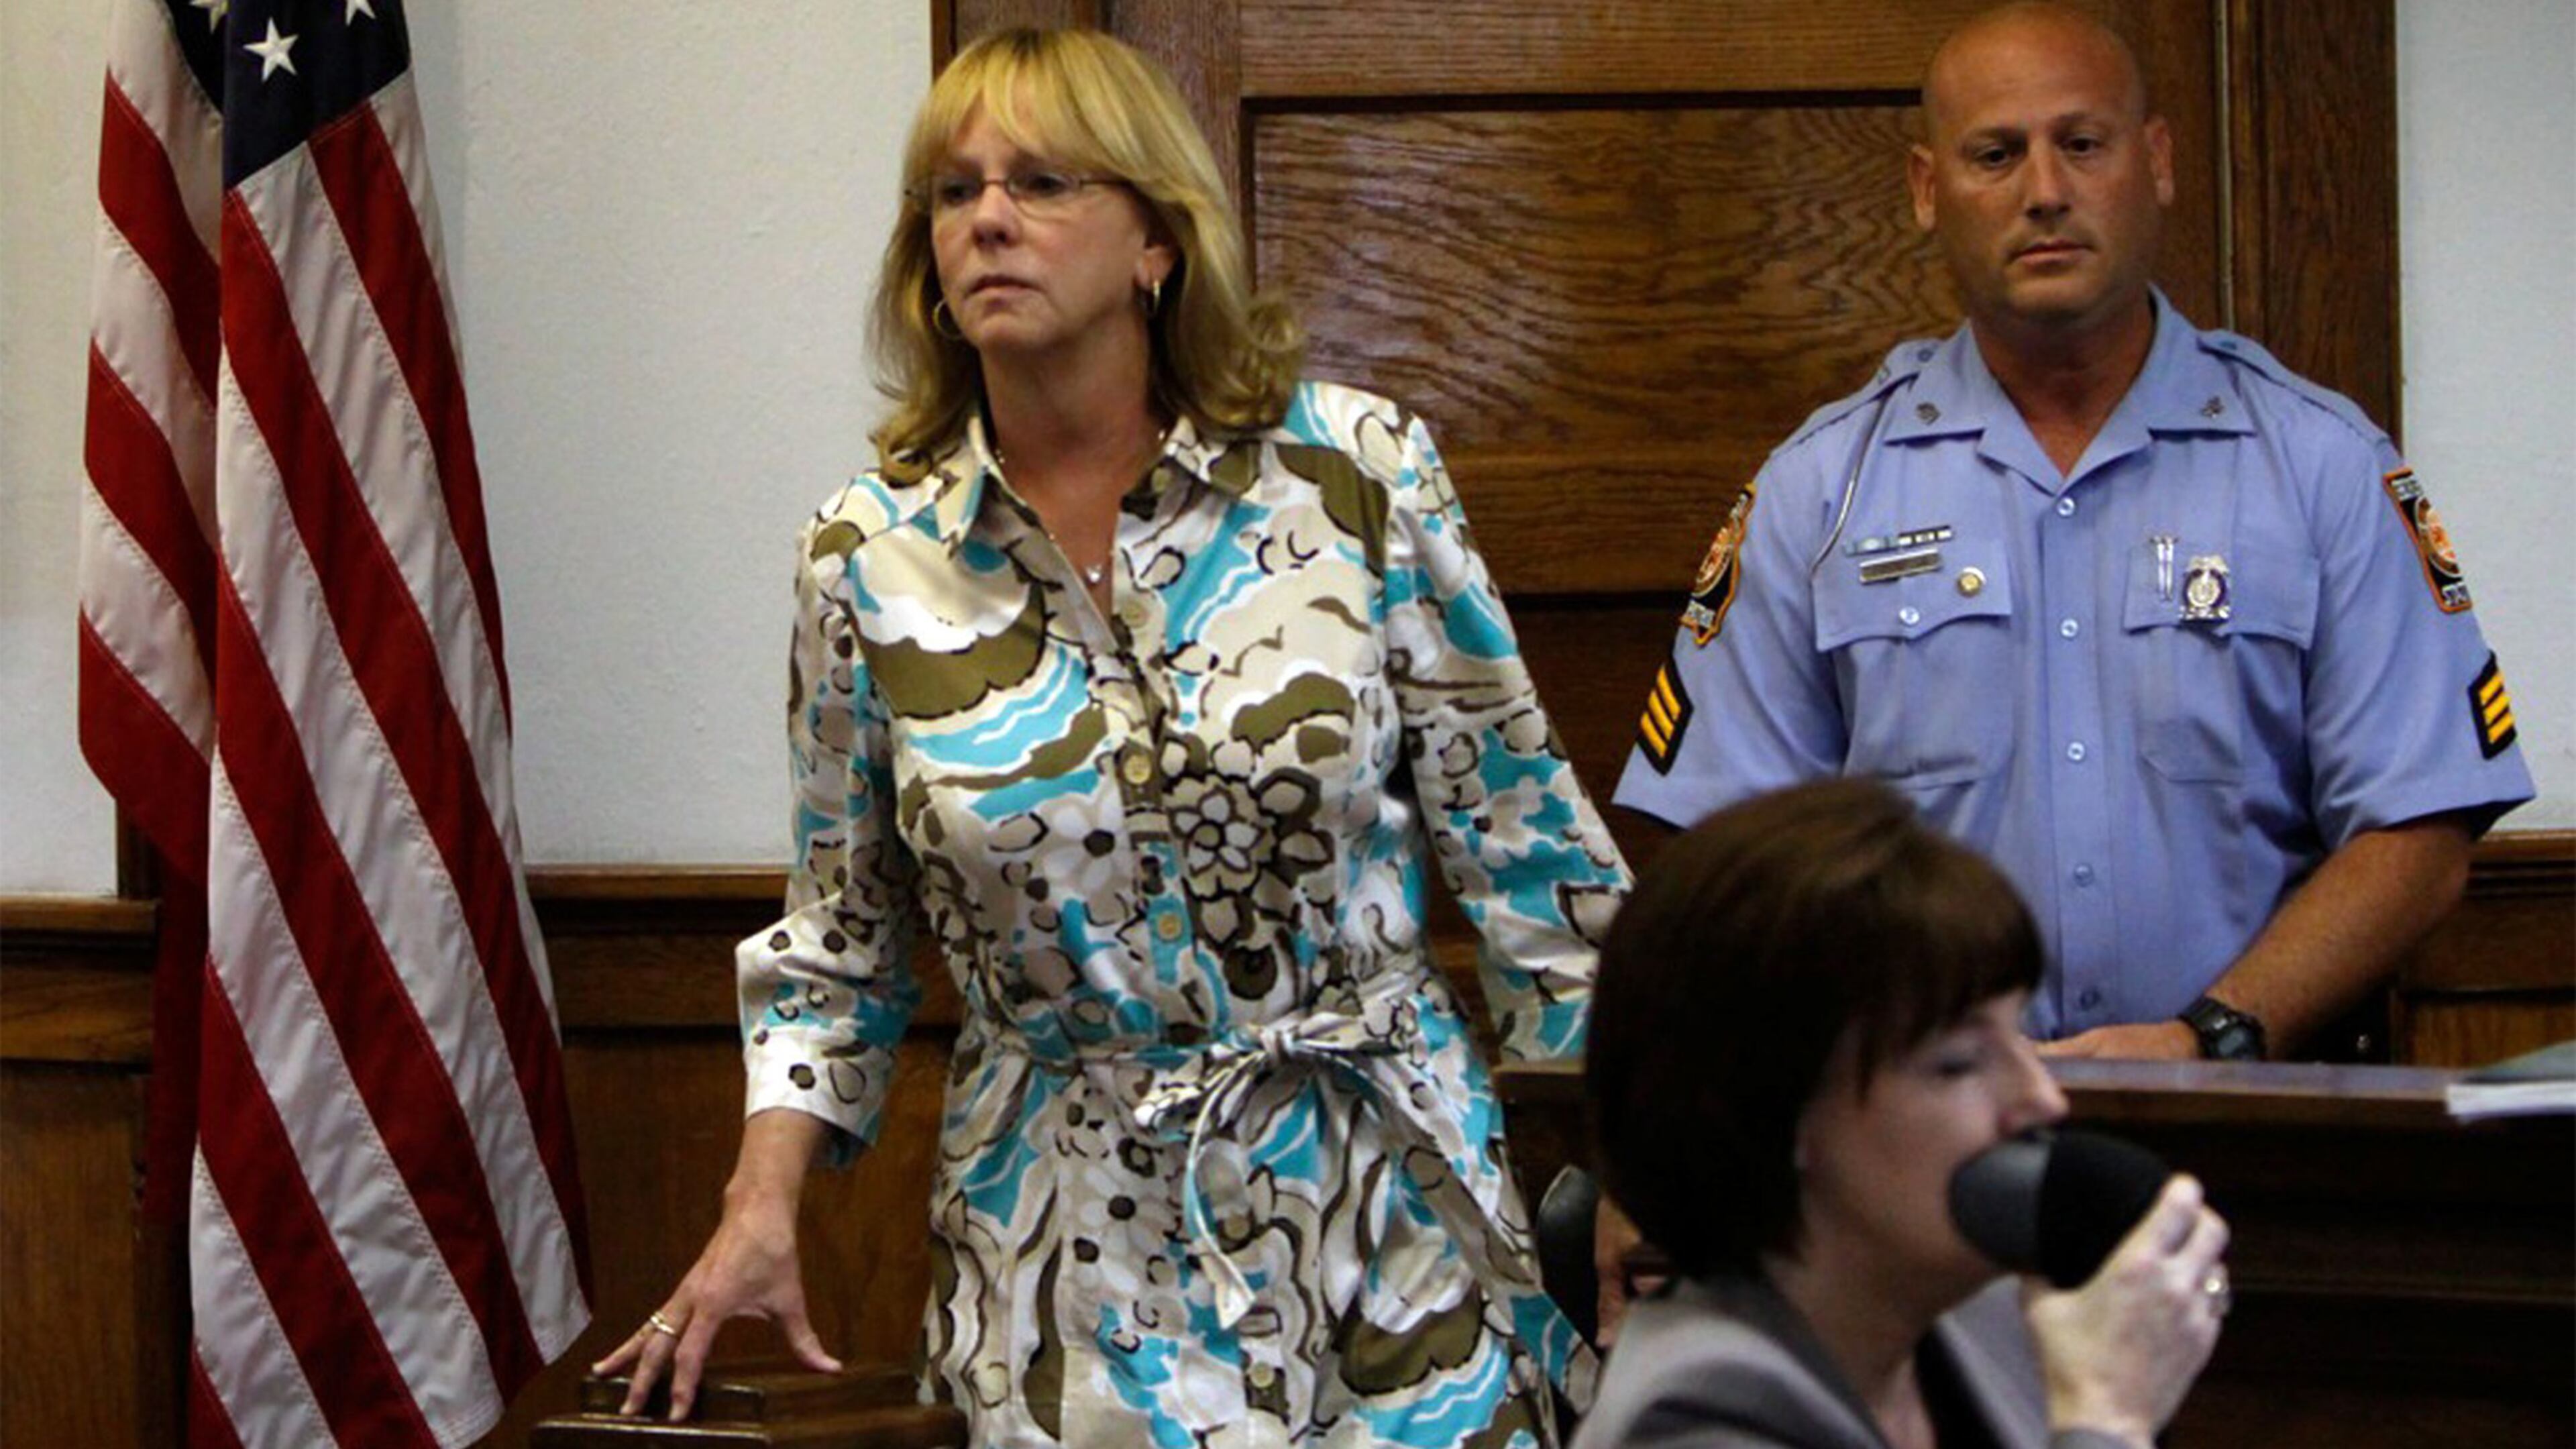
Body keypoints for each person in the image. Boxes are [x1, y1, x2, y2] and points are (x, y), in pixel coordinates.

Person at [592, 27, 1631, 1448]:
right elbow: (839, 942)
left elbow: (1525, 846)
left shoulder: (1356, 476)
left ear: (1157, 239)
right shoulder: (868, 557)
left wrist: (1639, 1161)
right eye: (953, 194)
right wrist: (758, 1203)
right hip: (1065, 1259)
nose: (990, 221)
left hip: (1381, 1219)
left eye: (1042, 181)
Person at [1613, 1, 2534, 1061]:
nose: (2045, 191)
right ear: (1926, 190)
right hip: (1925, 1148)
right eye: (1996, 154)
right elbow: (1722, 853)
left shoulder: (2323, 463)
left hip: (2258, 1124)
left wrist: (2212, 1036)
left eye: (2082, 145)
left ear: (2156, 163)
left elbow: (2419, 829)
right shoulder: (1820, 491)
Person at [1577, 780, 2230, 1449]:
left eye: (2017, 1036)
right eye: (1960, 1064)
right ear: (1776, 1114)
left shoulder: (1990, 1318)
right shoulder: (1689, 1425)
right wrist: (2106, 1420)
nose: (2042, 1099)